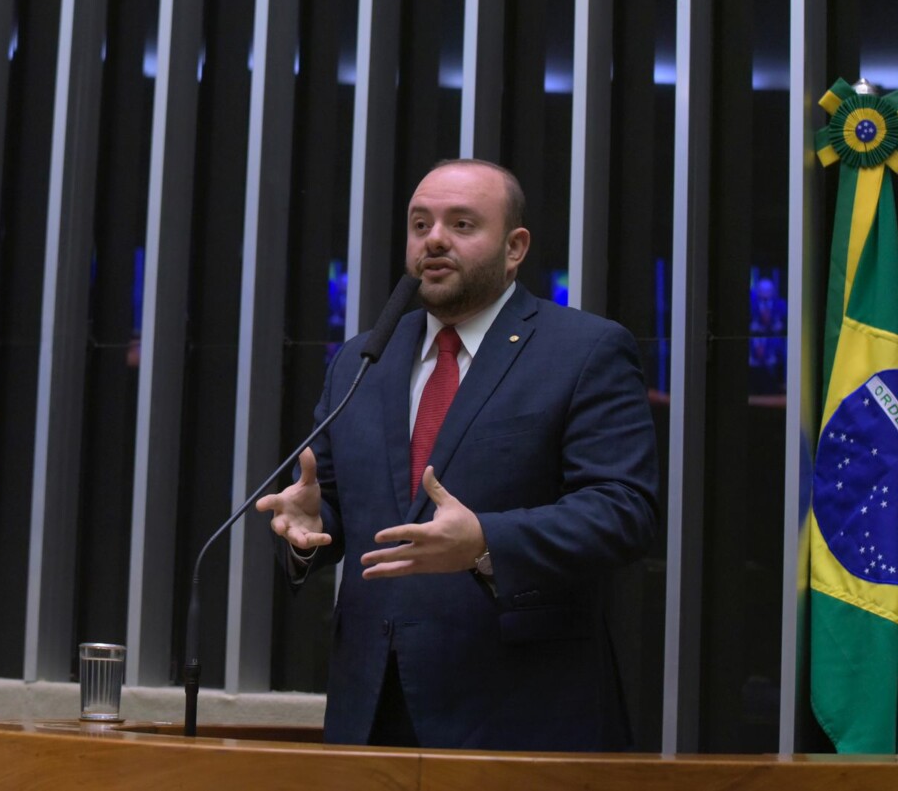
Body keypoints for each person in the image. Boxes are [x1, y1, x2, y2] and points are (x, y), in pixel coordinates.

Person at [257, 159, 660, 751]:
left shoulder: (584, 350)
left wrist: (484, 541)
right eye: (420, 225)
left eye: (462, 224)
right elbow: (337, 504)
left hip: (520, 709)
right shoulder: (363, 359)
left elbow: (624, 512)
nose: (435, 240)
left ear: (514, 247)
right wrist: (309, 527)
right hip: (370, 705)